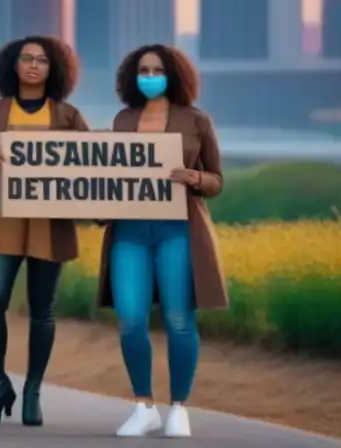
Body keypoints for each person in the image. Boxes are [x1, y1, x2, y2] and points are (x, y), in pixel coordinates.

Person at [101, 44, 227, 439]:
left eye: (157, 69)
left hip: (178, 231)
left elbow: (217, 180)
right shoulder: (123, 119)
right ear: (131, 77)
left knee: (178, 320)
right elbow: (105, 171)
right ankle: (143, 406)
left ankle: (178, 407)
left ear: (174, 74)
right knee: (131, 320)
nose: (150, 76)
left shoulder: (197, 120)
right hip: (130, 233)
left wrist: (195, 179)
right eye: (143, 69)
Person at [0, 36, 89, 428]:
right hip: (3, 219)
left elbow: (93, 169)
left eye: (42, 60)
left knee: (43, 309)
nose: (34, 65)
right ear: (13, 65)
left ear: (54, 68)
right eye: (27, 58)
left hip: (48, 224)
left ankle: (33, 390)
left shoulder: (69, 116)